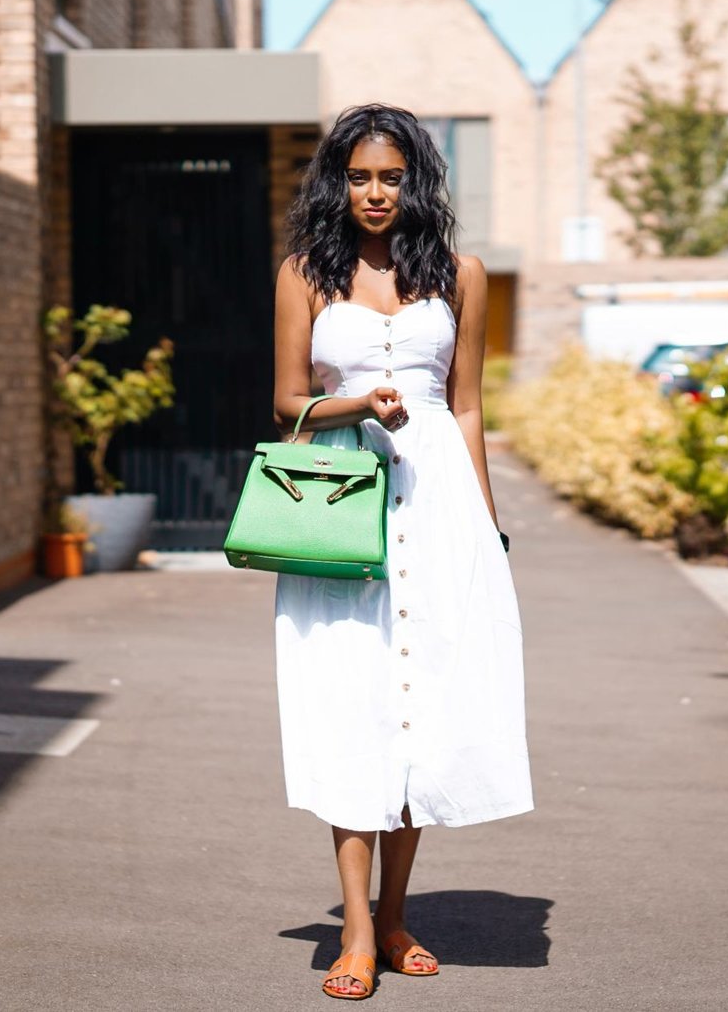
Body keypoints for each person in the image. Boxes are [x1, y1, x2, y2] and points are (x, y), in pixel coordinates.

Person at [272, 104, 534, 1001]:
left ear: (415, 181)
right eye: (358, 177)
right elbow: (287, 406)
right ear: (336, 183)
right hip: (344, 503)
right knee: (355, 706)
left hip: (438, 505)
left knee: (425, 709)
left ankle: (394, 914)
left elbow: (466, 408)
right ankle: (352, 928)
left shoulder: (462, 274)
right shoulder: (305, 272)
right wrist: (360, 406)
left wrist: (489, 534)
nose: (374, 193)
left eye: (390, 177)